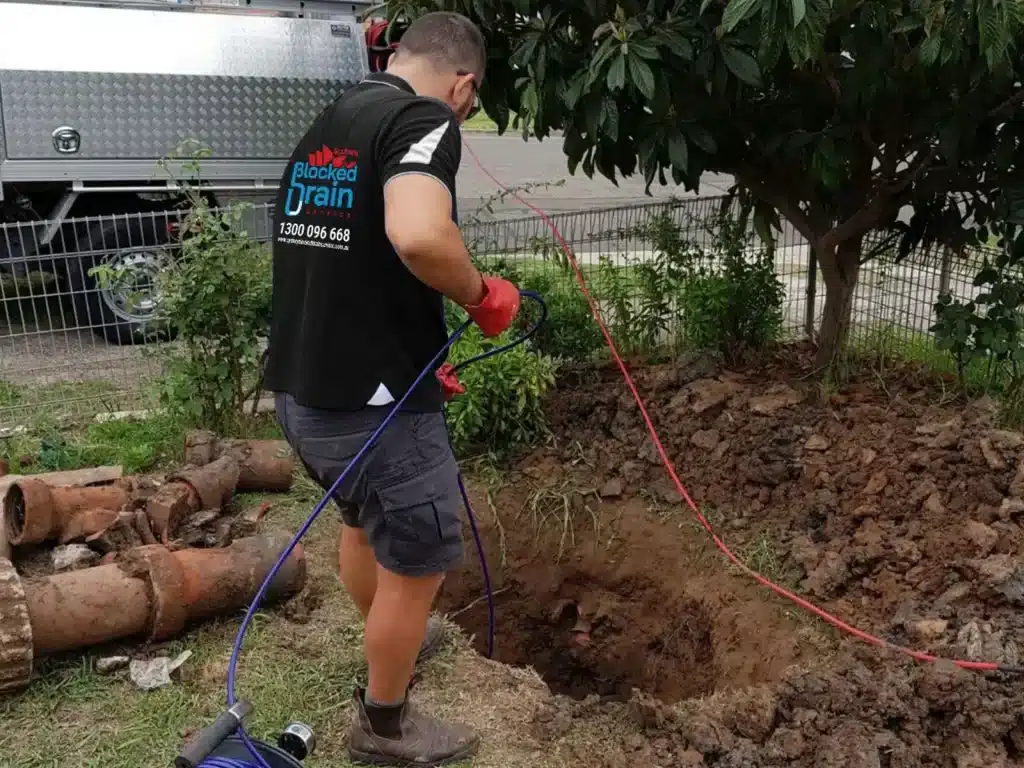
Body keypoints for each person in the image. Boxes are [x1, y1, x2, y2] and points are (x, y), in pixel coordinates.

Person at [263, 10, 520, 767]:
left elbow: (345, 255)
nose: (463, 116)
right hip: (369, 410)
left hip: (306, 393)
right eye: (469, 103)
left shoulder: (336, 118)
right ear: (463, 83)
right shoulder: (423, 118)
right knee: (421, 553)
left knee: (360, 523)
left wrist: (408, 347)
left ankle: (393, 641)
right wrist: (481, 295)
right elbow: (416, 234)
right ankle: (385, 725)